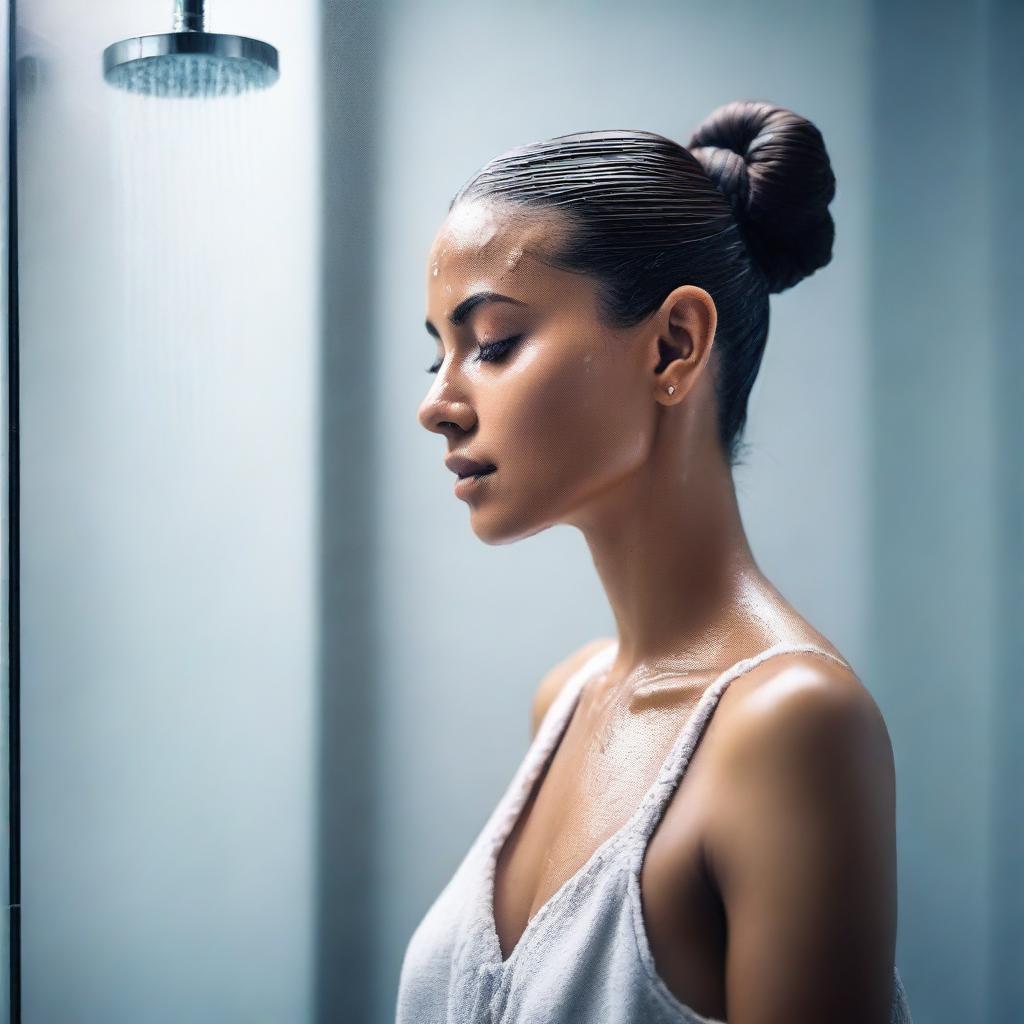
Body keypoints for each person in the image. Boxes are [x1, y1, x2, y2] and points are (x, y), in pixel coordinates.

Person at [398, 99, 912, 1023]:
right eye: (438, 355)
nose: (439, 405)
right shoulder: (566, 698)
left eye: (494, 344)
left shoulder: (791, 727)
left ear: (674, 345)